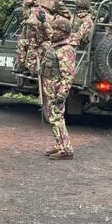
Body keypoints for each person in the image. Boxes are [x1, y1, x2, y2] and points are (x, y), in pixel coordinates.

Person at [40, 17, 77, 160]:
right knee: (53, 117)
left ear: (64, 32)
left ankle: (66, 150)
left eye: (57, 29)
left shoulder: (66, 49)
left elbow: (68, 76)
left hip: (56, 92)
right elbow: (47, 31)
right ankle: (60, 145)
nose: (53, 32)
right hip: (50, 90)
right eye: (53, 28)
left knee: (57, 118)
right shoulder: (56, 45)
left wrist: (62, 94)